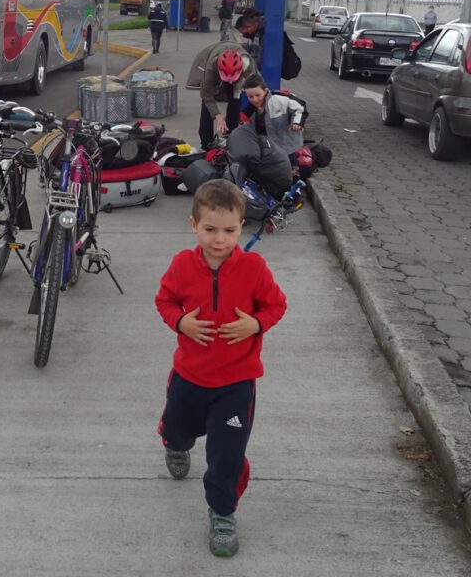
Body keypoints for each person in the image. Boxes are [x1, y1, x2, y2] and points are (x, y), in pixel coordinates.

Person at [155, 178, 287, 558]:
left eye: (229, 230)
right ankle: (174, 443)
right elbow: (164, 300)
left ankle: (223, 511)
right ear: (193, 225)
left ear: (241, 226)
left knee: (226, 455)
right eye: (210, 229)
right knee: (179, 427)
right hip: (189, 376)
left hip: (236, 381)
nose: (219, 239)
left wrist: (255, 324)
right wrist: (181, 322)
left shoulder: (254, 268)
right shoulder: (182, 265)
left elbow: (276, 305)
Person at [191, 43, 258, 149]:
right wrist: (218, 116)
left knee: (235, 98)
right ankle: (205, 143)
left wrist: (244, 115)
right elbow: (206, 94)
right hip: (212, 56)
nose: (230, 82)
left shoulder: (249, 67)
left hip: (239, 73)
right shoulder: (211, 66)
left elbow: (259, 93)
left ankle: (230, 136)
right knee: (206, 103)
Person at [240, 73, 307, 158]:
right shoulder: (249, 111)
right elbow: (246, 127)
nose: (254, 100)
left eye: (258, 95)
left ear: (265, 90)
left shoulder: (279, 99)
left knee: (291, 168)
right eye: (250, 97)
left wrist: (297, 123)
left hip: (289, 145)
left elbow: (300, 107)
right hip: (270, 148)